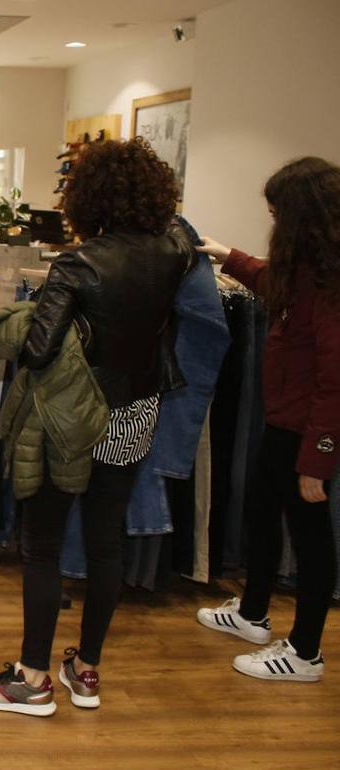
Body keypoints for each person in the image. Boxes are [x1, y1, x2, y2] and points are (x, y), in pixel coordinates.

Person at [0, 137, 194, 716]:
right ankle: (86, 669)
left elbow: (40, 351)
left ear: (89, 196)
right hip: (135, 411)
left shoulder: (79, 262)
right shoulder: (175, 252)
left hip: (72, 417)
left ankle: (32, 678)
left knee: (42, 544)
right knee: (106, 539)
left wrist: (21, 320)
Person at [195, 156, 339, 683]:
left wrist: (316, 461)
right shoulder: (309, 268)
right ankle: (253, 613)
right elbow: (274, 283)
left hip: (308, 429)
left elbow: (335, 380)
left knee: (310, 534)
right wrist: (227, 256)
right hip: (286, 420)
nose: (274, 223)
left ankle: (305, 653)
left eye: (279, 215)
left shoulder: (332, 285)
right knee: (260, 509)